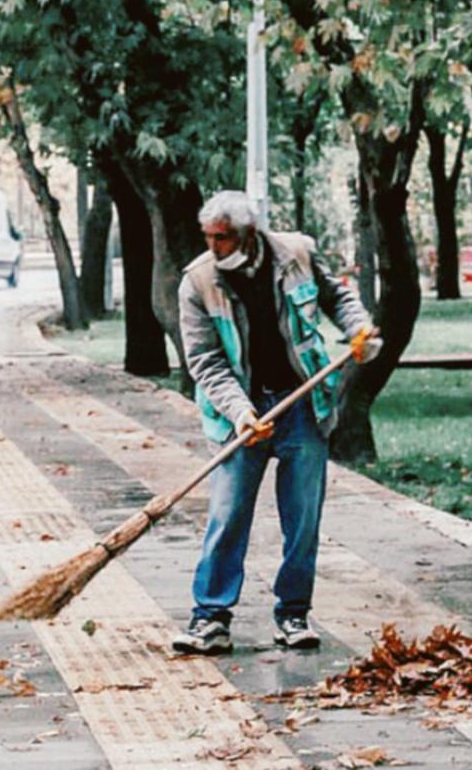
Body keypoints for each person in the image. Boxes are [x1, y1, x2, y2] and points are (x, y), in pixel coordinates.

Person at [172, 191, 380, 655]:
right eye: (208, 237)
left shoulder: (297, 254)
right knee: (227, 516)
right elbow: (204, 361)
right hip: (239, 414)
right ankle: (210, 617)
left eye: (222, 238)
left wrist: (359, 329)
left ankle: (293, 614)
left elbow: (337, 296)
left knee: (303, 519)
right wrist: (241, 412)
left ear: (249, 234)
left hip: (302, 404)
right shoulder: (198, 281)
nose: (213, 247)